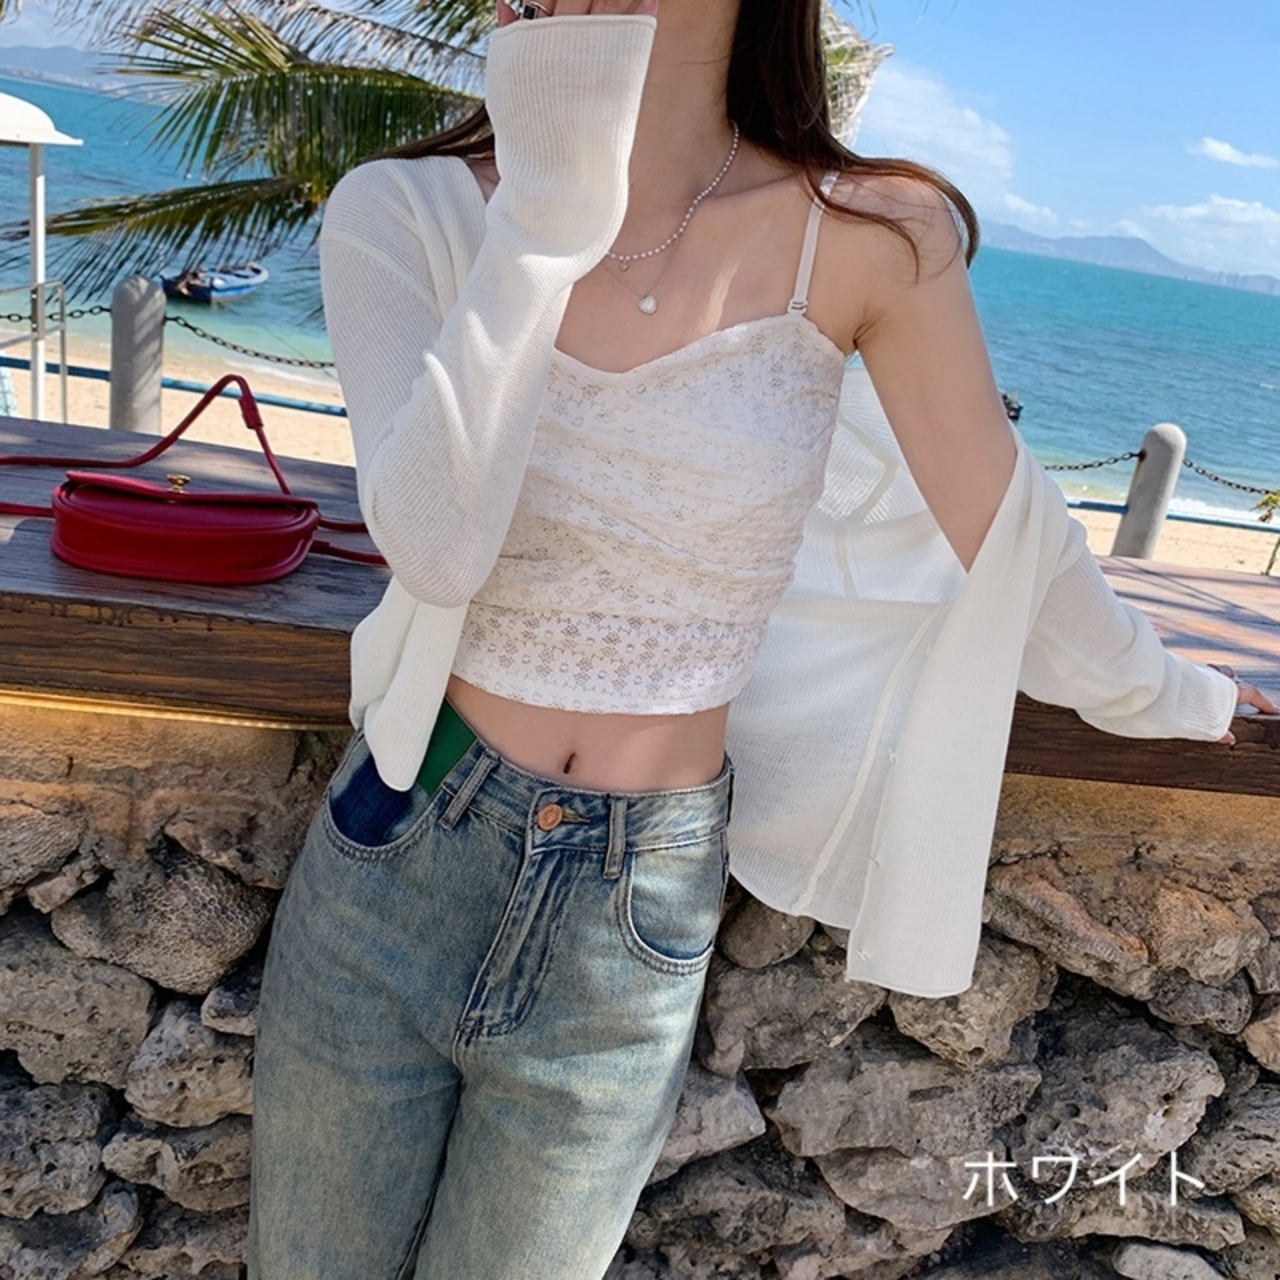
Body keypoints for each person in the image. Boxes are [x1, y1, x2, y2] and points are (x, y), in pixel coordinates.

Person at [246, 1, 1277, 1276]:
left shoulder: (871, 234)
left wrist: (1173, 691)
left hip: (634, 902)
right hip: (404, 835)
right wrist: (545, 213)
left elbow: (1011, 537)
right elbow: (438, 547)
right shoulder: (408, 209)